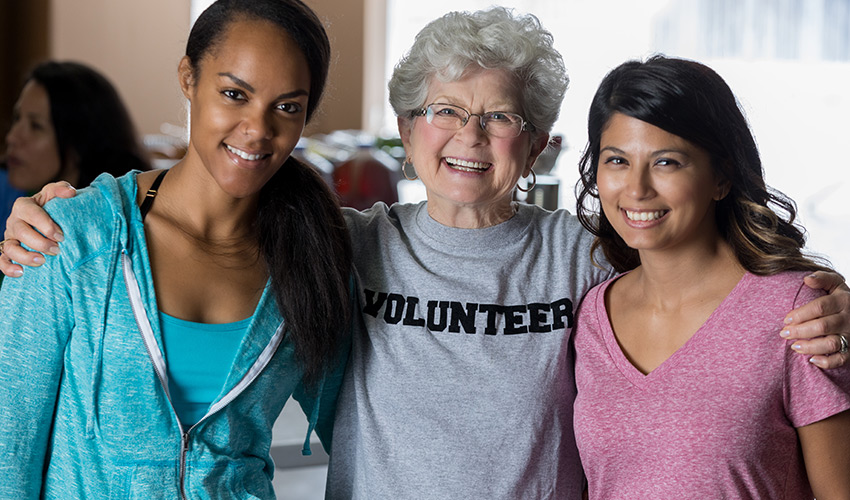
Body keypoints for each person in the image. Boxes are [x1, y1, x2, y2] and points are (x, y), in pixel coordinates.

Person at [3, 7, 850, 499]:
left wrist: (825, 296)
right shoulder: (339, 246)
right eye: (443, 110)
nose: (468, 138)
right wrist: (64, 208)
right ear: (406, 129)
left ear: (544, 143)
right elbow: (218, 204)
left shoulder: (590, 258)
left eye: (501, 117)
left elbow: (708, 281)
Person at [0, 0, 352, 498]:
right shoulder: (72, 237)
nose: (257, 129)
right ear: (189, 78)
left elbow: (369, 434)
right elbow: (8, 447)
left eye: (287, 107)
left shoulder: (315, 256)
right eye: (234, 94)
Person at [572, 55, 850, 498]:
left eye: (666, 162)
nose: (637, 188)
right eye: (617, 161)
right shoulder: (592, 315)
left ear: (720, 177)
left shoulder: (798, 312)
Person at [0, 60, 149, 247]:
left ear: (79, 141)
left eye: (36, 126)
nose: (12, 137)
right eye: (17, 118)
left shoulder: (118, 223)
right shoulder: (7, 189)